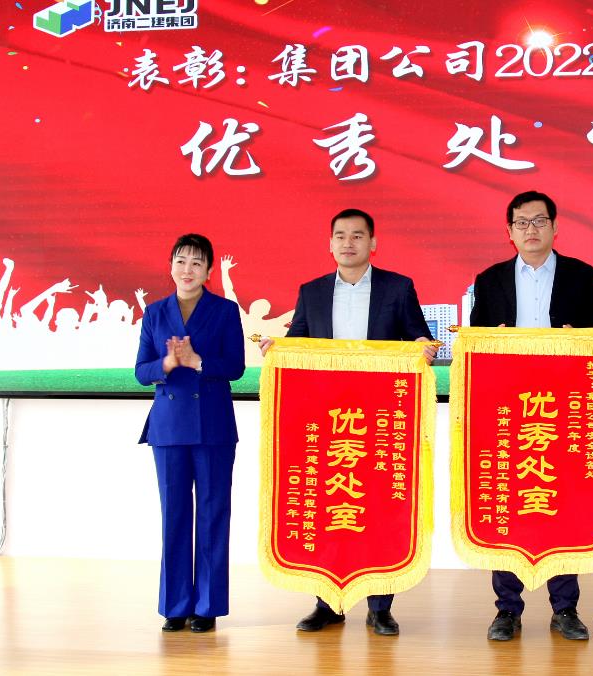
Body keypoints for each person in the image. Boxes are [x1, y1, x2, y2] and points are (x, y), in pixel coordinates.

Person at [260, 208, 436, 636]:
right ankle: (328, 604)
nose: (348, 243)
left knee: (380, 506)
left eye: (358, 235)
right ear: (330, 243)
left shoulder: (398, 287)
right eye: (340, 235)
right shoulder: (312, 291)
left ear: (372, 243)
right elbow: (299, 343)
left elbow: (418, 334)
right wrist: (277, 350)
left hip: (380, 417)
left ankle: (380, 607)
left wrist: (423, 346)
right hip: (329, 419)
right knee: (329, 505)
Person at [470, 190, 593, 642]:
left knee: (561, 504)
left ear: (555, 226)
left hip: (560, 410)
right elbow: (473, 340)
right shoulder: (490, 280)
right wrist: (490, 339)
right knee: (505, 503)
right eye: (521, 222)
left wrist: (579, 336)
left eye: (539, 221)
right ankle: (506, 610)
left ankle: (565, 608)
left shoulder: (580, 275)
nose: (530, 229)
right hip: (507, 411)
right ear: (509, 232)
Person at [135, 234, 245, 633]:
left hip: (213, 425)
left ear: (209, 271)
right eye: (181, 261)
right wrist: (165, 364)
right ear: (171, 266)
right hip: (169, 427)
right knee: (175, 515)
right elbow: (140, 371)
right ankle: (175, 605)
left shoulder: (225, 310)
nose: (187, 269)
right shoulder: (154, 312)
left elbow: (236, 367)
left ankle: (208, 606)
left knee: (214, 514)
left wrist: (198, 361)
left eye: (197, 263)